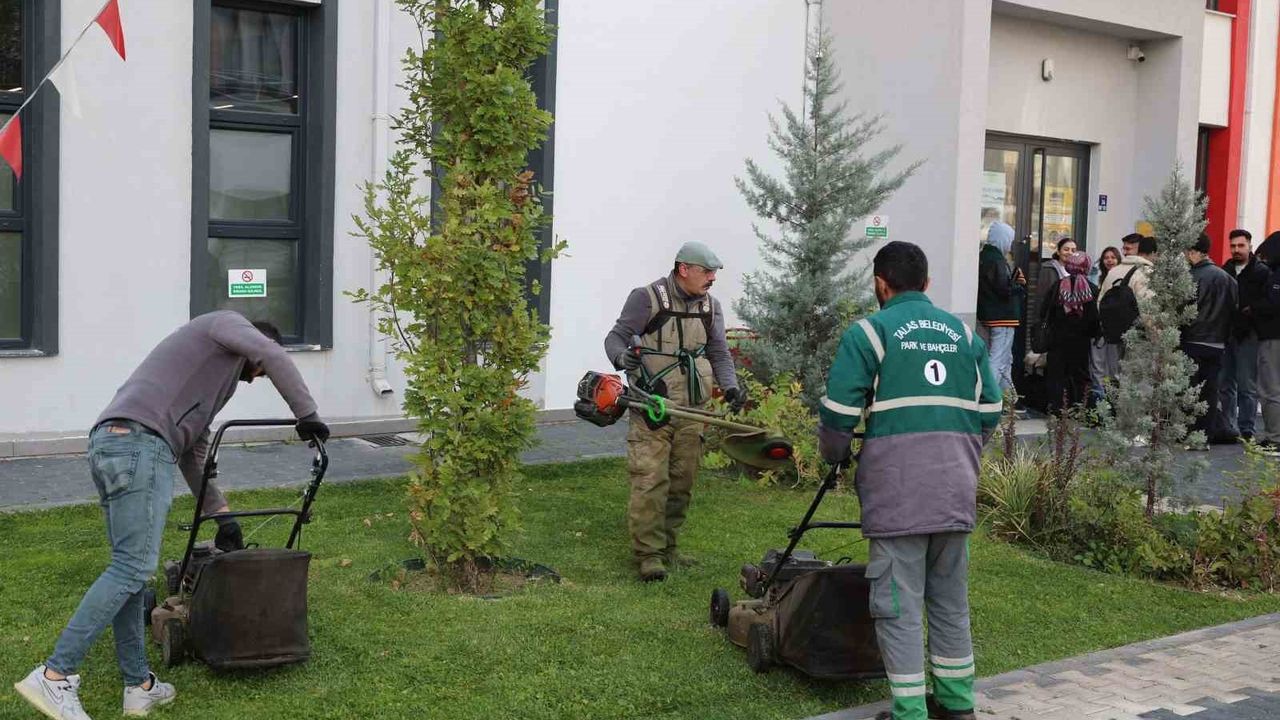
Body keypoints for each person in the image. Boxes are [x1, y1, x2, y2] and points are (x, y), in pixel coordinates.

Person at [15, 311, 329, 720]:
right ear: (252, 346)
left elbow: (194, 452)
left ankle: (138, 686)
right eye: (255, 371)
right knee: (129, 569)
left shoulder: (205, 378)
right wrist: (307, 415)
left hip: (113, 443)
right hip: (140, 446)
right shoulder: (227, 323)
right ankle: (55, 676)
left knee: (129, 571)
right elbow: (272, 354)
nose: (253, 378)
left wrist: (223, 516)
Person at [818, 241, 998, 720]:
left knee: (897, 606)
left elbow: (837, 417)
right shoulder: (964, 335)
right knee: (949, 600)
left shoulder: (870, 333)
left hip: (899, 494)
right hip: (956, 487)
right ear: (927, 284)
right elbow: (992, 410)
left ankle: (910, 713)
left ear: (881, 284)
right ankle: (958, 706)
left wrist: (836, 457)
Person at [604, 241, 742, 582]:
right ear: (684, 269)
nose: (712, 278)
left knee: (682, 481)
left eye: (714, 273)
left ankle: (669, 547)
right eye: (707, 271)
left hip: (693, 411)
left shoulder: (711, 307)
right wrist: (623, 358)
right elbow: (615, 338)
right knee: (651, 479)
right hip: (652, 407)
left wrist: (732, 386)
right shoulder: (647, 298)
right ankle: (649, 555)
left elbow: (720, 353)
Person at [1182, 233, 1238, 449]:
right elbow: (1235, 311)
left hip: (1193, 340)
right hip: (1217, 343)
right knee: (1210, 390)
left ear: (1193, 251)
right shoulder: (1227, 278)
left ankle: (1191, 435)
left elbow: (1183, 310)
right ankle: (1204, 436)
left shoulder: (1190, 277)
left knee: (1191, 390)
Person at [1219, 229, 1269, 442]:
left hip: (1249, 334)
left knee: (1247, 384)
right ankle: (1229, 426)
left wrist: (1251, 311)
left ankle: (1247, 428)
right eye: (1233, 246)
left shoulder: (1261, 272)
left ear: (1250, 245)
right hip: (1226, 332)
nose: (1236, 250)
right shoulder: (1225, 270)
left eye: (1240, 246)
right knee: (1225, 384)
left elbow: (1267, 302)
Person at [1040, 252, 1099, 414]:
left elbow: (1045, 311)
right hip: (1081, 341)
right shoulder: (1092, 290)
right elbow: (1094, 318)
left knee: (1057, 375)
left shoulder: (1057, 286)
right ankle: (1081, 409)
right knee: (1080, 376)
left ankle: (1057, 409)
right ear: (1086, 267)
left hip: (1057, 340)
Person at [976, 220, 1024, 395]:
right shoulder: (996, 260)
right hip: (1003, 317)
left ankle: (1010, 399)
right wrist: (1019, 284)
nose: (1010, 245)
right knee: (997, 358)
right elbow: (1004, 289)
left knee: (1005, 358)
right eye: (1009, 240)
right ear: (1002, 239)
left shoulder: (983, 256)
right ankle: (988, 397)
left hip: (989, 316)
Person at [1248, 232, 1280, 451]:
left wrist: (1253, 308)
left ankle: (1275, 438)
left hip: (1273, 336)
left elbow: (1273, 304)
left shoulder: (1277, 275)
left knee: (1270, 389)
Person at [1088, 246, 1123, 404]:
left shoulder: (1122, 277)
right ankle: (1098, 400)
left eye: (1113, 257)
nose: (1109, 260)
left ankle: (1113, 399)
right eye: (1106, 257)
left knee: (1115, 366)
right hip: (1098, 328)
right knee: (1097, 365)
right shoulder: (1096, 277)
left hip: (1115, 329)